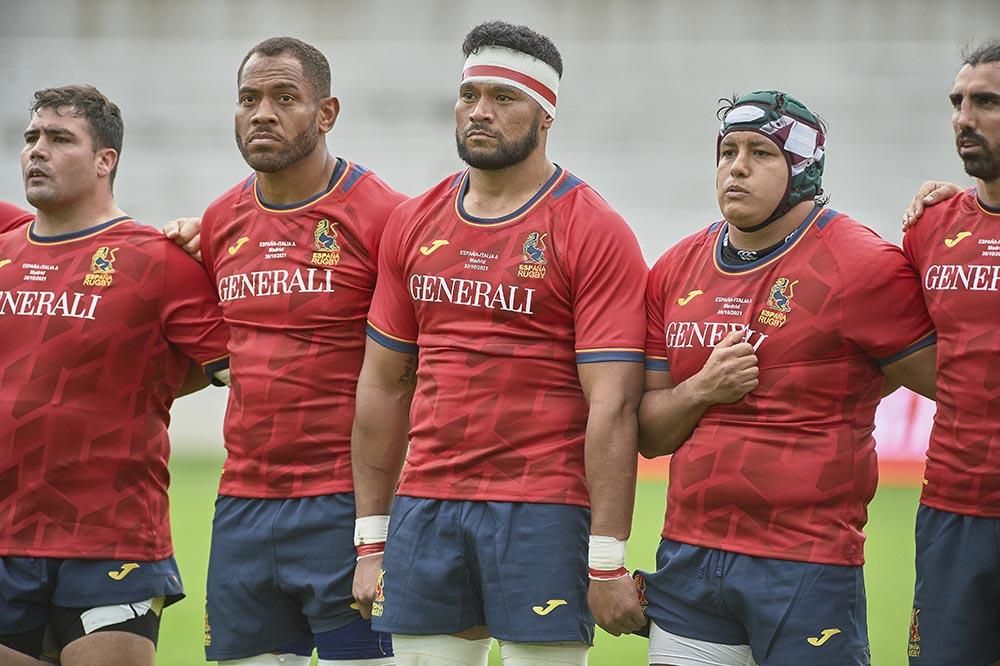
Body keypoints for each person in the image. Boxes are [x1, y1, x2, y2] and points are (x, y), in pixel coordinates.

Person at [351, 20, 648, 666]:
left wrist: (605, 560)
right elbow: (382, 383)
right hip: (427, 504)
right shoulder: (413, 221)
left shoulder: (592, 229)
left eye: (503, 97)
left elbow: (614, 404)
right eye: (470, 94)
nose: (479, 111)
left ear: (545, 115)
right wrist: (371, 540)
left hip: (542, 508)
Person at [637, 90, 938, 666]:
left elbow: (955, 384)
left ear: (803, 167)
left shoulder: (861, 263)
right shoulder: (675, 268)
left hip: (806, 562)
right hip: (689, 558)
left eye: (760, 153)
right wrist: (702, 389)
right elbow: (649, 435)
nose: (737, 167)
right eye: (727, 151)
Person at [191, 37, 404, 666]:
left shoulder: (383, 215)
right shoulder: (219, 220)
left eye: (285, 98)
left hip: (347, 501)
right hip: (243, 503)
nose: (262, 113)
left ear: (326, 112)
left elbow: (413, 368)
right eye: (248, 99)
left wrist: (380, 527)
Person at [0, 85, 230, 665]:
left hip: (111, 539)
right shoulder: (5, 247)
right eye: (31, 137)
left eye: (59, 139)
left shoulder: (158, 259)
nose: (37, 150)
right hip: (5, 534)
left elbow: (239, 365)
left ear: (106, 160)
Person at [898, 39, 1000, 665]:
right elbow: (893, 345)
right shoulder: (930, 225)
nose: (964, 118)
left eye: (986, 102)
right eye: (957, 102)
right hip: (952, 507)